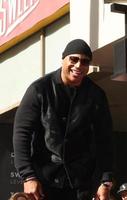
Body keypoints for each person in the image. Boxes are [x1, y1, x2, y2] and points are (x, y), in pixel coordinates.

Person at [13, 39, 114, 200]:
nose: (79, 65)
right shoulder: (39, 90)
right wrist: (28, 176)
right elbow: (21, 134)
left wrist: (105, 180)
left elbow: (105, 140)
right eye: (73, 59)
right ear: (63, 59)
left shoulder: (96, 95)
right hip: (44, 182)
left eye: (85, 62)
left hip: (81, 183)